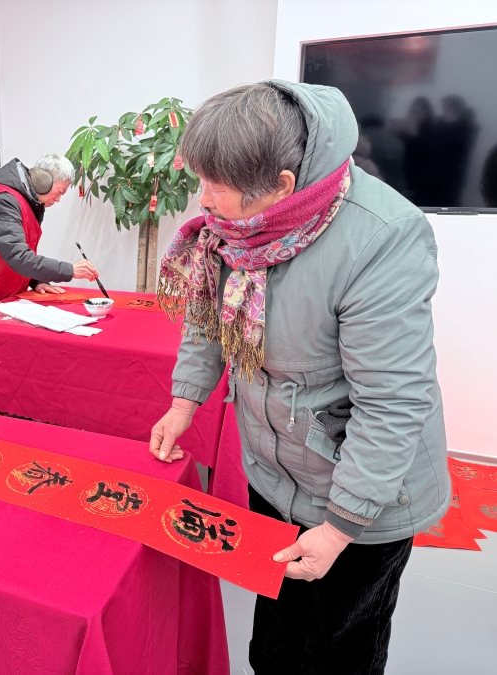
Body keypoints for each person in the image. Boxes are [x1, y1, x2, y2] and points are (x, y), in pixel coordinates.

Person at [150, 82, 447, 675]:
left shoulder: (382, 236)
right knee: (275, 640)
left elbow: (391, 403)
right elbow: (210, 317)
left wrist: (338, 529)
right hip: (273, 469)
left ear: (282, 186)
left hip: (362, 494)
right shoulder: (236, 225)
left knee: (339, 649)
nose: (202, 200)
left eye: (215, 185)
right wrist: (185, 402)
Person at [0, 153, 98, 317]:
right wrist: (70, 270)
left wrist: (36, 281)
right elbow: (18, 256)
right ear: (43, 181)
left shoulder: (26, 201)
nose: (58, 200)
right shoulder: (2, 200)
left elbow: (16, 249)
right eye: (59, 192)